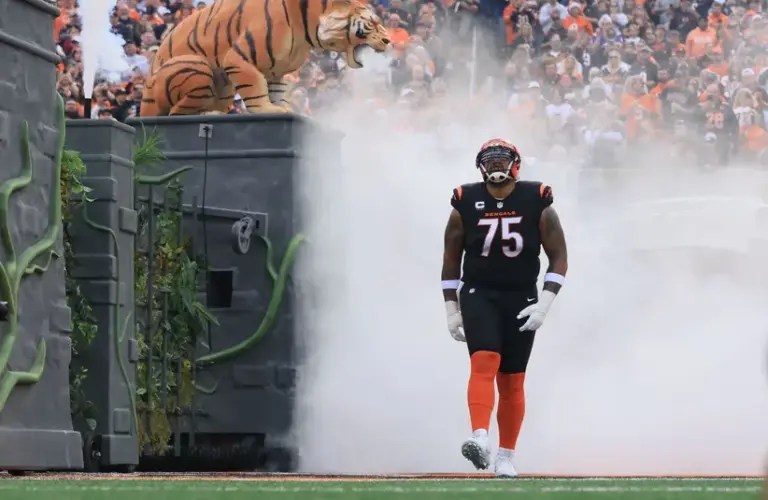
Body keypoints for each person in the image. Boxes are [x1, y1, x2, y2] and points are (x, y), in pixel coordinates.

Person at [440, 139, 569, 478]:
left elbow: (559, 256)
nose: (496, 165)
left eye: (502, 159)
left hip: (521, 295)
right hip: (479, 292)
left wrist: (545, 302)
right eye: (490, 159)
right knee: (484, 360)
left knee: (513, 380)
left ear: (516, 164)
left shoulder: (536, 199)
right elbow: (451, 261)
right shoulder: (464, 201)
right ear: (480, 165)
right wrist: (452, 309)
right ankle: (480, 436)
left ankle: (505, 456)